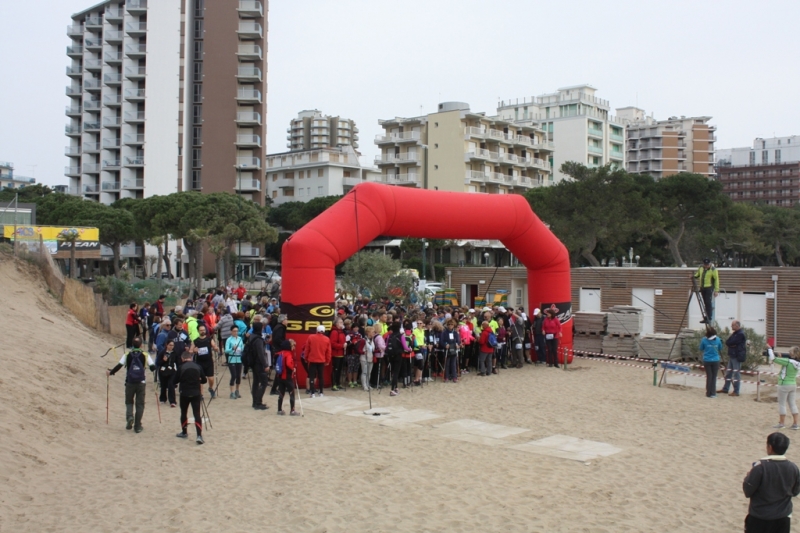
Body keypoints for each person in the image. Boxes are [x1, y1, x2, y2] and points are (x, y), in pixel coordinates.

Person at [743, 432, 800, 532]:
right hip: (782, 518)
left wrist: (748, 477)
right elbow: (795, 491)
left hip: (759, 517)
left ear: (770, 447)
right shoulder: (793, 468)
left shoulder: (760, 468)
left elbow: (748, 491)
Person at [106, 338, 155, 433]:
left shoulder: (127, 354)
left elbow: (119, 365)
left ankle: (129, 417)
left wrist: (111, 372)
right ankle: (137, 426)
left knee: (129, 402)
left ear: (132, 345)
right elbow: (153, 367)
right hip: (141, 382)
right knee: (140, 404)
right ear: (141, 345)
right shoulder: (145, 355)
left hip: (130, 382)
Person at [174, 351, 207, 445]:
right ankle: (199, 435)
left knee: (184, 412)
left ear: (183, 359)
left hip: (184, 393)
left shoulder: (181, 367)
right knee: (197, 414)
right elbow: (204, 380)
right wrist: (199, 379)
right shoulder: (198, 366)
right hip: (196, 393)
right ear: (191, 358)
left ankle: (184, 432)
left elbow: (175, 380)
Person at [772, 347, 800, 430]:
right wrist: (781, 358)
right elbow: (787, 365)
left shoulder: (788, 361)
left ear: (792, 353)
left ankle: (782, 423)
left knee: (782, 404)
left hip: (784, 384)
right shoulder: (797, 363)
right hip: (793, 384)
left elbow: (773, 359)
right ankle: (795, 423)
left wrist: (770, 349)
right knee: (792, 403)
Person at [719, 320, 747, 397]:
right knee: (728, 373)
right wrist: (731, 345)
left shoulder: (740, 334)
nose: (731, 327)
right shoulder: (735, 333)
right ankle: (725, 388)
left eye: (733, 325)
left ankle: (736, 391)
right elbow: (728, 342)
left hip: (737, 356)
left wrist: (732, 344)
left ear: (737, 326)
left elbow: (732, 342)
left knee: (736, 374)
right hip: (732, 355)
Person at [304, 324, 332, 398]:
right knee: (321, 377)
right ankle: (321, 392)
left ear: (317, 330)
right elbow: (328, 352)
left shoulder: (311, 337)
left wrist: (305, 358)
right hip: (321, 360)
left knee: (312, 376)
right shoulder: (327, 339)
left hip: (312, 360)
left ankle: (312, 393)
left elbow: (307, 349)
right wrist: (327, 360)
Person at [192, 325, 218, 398]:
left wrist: (216, 348)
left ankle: (210, 388)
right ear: (198, 331)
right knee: (200, 379)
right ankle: (201, 394)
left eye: (204, 330)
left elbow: (214, 346)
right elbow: (191, 350)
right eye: (201, 330)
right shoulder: (196, 341)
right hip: (199, 362)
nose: (203, 331)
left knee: (211, 378)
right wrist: (194, 350)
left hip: (209, 361)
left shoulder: (209, 339)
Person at [275, 340, 299, 416]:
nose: (293, 347)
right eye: (292, 346)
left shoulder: (280, 353)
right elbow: (288, 363)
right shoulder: (288, 354)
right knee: (291, 392)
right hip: (287, 377)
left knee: (281, 392)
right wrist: (293, 368)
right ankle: (292, 411)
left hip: (280, 376)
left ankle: (279, 409)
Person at [386, 322, 410, 396]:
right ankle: (392, 389)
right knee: (396, 372)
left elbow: (386, 346)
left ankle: (396, 388)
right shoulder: (401, 336)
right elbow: (405, 347)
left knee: (394, 372)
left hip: (390, 355)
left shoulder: (389, 336)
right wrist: (410, 349)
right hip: (398, 355)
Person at [694, 258, 719, 323]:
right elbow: (698, 274)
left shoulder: (713, 269)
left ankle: (709, 317)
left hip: (709, 287)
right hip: (702, 288)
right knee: (705, 302)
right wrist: (693, 276)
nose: (706, 266)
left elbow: (716, 280)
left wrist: (716, 290)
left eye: (707, 264)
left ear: (709, 264)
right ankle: (706, 317)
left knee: (708, 302)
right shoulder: (701, 268)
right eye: (705, 264)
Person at [700, 326, 723, 399]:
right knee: (714, 377)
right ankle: (713, 393)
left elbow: (701, 348)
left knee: (709, 376)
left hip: (707, 360)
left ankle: (708, 392)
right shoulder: (718, 339)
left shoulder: (704, 340)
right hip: (716, 360)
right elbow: (720, 348)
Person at [225, 325, 245, 400]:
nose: (235, 332)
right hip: (232, 359)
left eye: (237, 331)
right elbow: (226, 350)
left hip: (239, 359)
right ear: (231, 331)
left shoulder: (240, 338)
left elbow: (242, 347)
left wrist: (242, 349)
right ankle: (232, 392)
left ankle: (237, 390)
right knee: (233, 375)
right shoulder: (229, 340)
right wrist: (232, 349)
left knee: (238, 376)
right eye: (234, 331)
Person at [156, 339, 178, 407]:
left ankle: (172, 401)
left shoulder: (175, 352)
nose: (171, 347)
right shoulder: (162, 352)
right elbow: (157, 363)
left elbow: (177, 362)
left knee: (171, 385)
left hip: (172, 371)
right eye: (170, 345)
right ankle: (163, 398)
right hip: (163, 371)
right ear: (166, 345)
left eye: (173, 345)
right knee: (163, 385)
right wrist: (163, 360)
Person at [439, 319, 461, 383]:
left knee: (453, 364)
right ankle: (446, 377)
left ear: (454, 325)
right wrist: (445, 344)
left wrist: (457, 344)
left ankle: (454, 377)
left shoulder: (455, 332)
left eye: (452, 324)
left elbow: (458, 340)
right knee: (447, 364)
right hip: (447, 350)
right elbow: (441, 341)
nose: (450, 326)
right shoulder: (444, 332)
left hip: (454, 349)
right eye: (449, 324)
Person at [329, 318, 347, 391]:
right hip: (336, 354)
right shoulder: (334, 332)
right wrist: (342, 346)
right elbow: (332, 343)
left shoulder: (342, 332)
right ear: (336, 324)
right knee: (335, 370)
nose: (342, 323)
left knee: (339, 370)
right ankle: (334, 384)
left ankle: (338, 383)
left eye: (342, 322)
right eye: (340, 322)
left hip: (342, 353)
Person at [361, 326, 376, 391]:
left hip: (370, 358)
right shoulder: (363, 340)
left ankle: (367, 384)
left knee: (369, 372)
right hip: (364, 358)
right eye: (372, 332)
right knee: (364, 372)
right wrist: (363, 352)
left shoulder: (372, 340)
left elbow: (373, 349)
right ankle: (364, 385)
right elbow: (359, 349)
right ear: (368, 333)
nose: (374, 333)